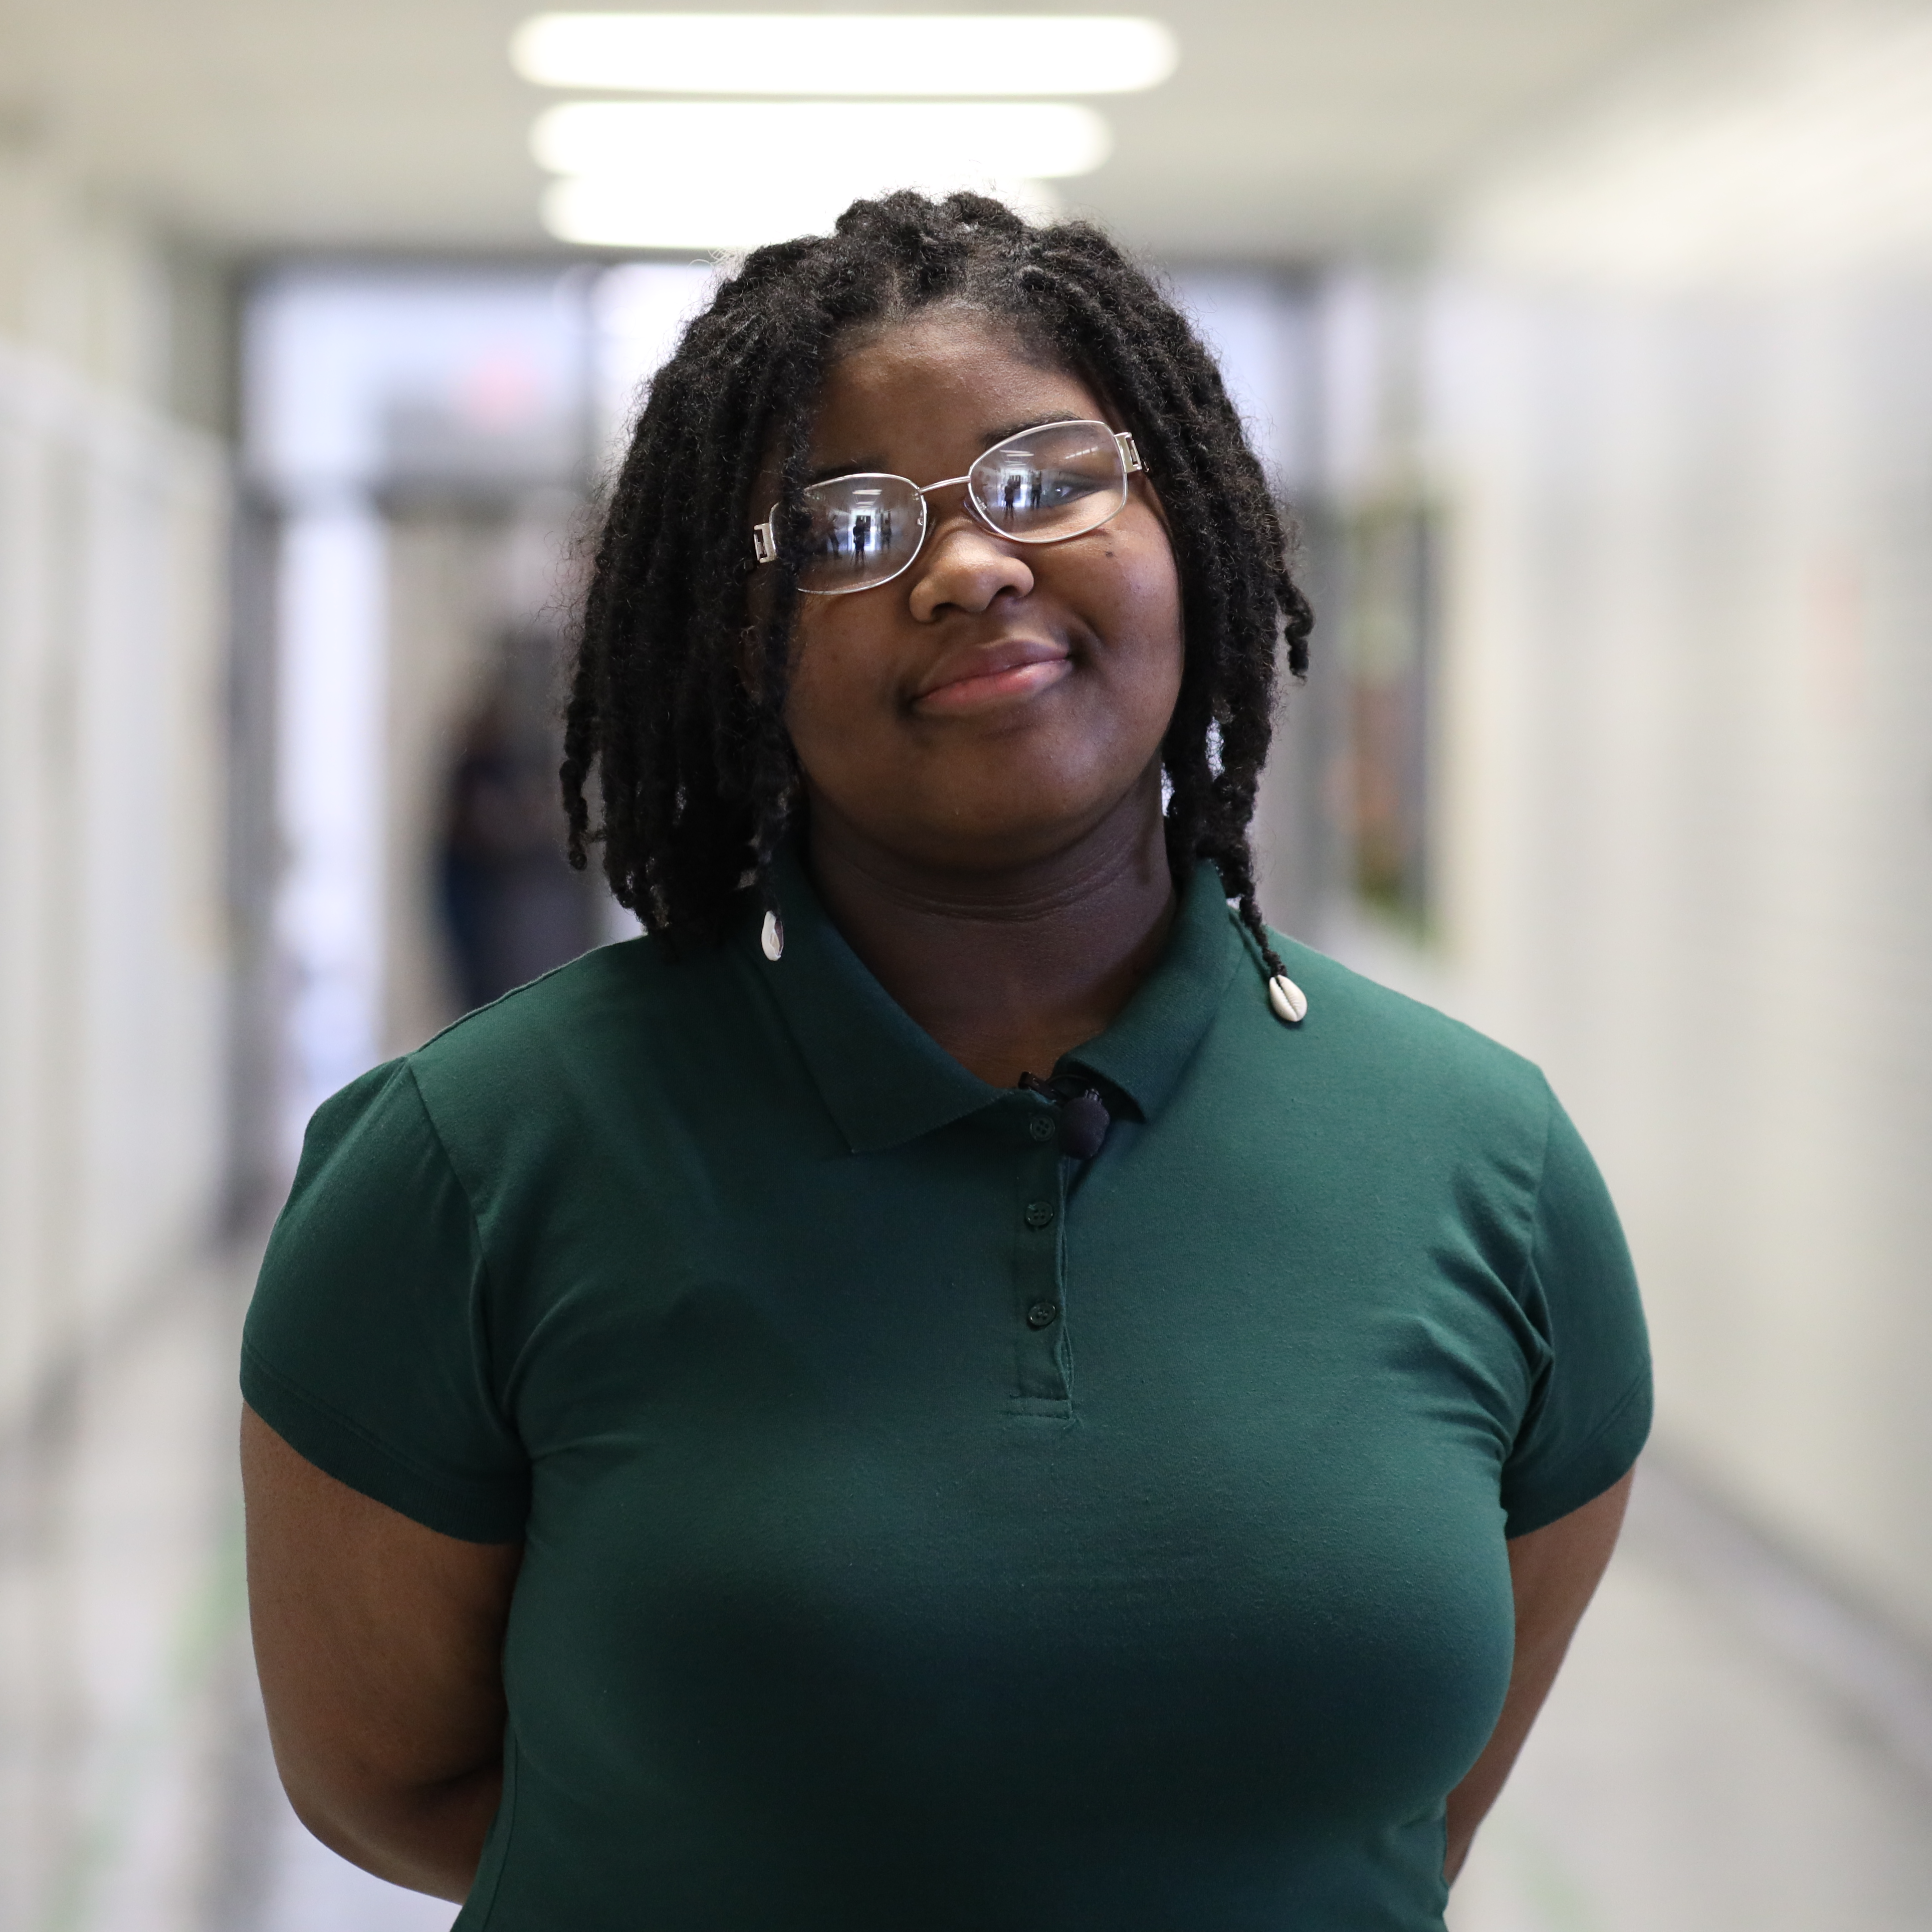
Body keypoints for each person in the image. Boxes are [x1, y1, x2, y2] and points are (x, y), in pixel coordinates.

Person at [240, 192, 1649, 1931]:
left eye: (1046, 478)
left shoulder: (1479, 1162)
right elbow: (383, 1776)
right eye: (842, 528)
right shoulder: (474, 1157)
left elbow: (1389, 1818)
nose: (968, 564)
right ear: (729, 639)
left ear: (1187, 525)